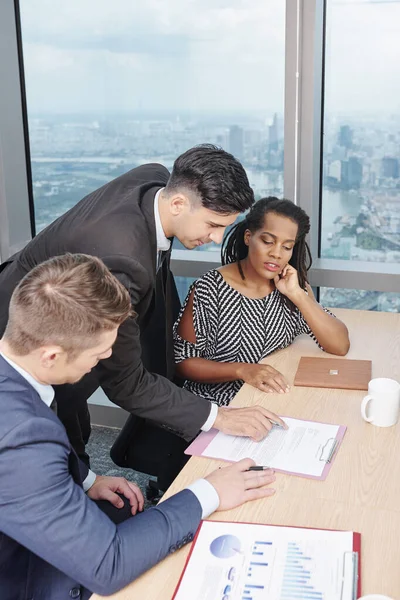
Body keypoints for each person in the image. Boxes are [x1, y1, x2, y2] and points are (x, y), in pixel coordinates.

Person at [0, 254, 276, 600]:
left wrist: (87, 479)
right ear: (51, 355)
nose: (102, 363)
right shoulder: (23, 436)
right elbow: (108, 564)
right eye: (98, 355)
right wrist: (210, 492)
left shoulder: (17, 373)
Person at [0, 144, 282, 475]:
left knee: (73, 425)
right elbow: (126, 382)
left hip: (34, 296)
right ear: (178, 203)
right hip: (26, 333)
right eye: (212, 225)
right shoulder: (121, 262)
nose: (218, 239)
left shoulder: (155, 179)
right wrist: (219, 417)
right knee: (55, 445)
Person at [174, 197, 350, 406]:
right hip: (216, 407)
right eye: (268, 241)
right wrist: (242, 370)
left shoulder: (292, 288)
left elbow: (340, 345)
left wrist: (298, 295)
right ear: (249, 237)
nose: (276, 253)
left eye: (287, 247)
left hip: (269, 402)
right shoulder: (210, 289)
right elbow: (183, 362)